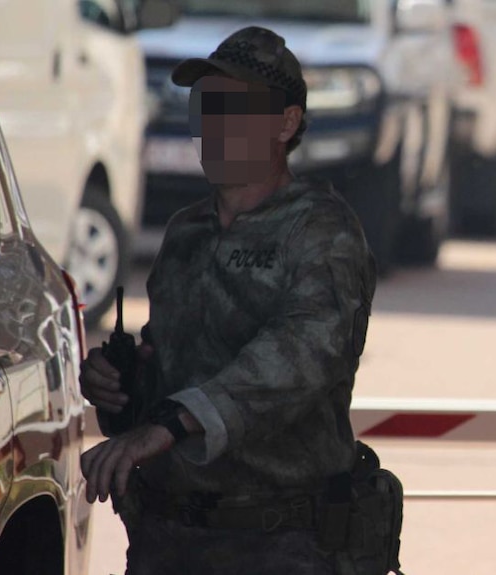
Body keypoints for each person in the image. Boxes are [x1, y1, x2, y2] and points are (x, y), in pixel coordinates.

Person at [79, 26, 377, 575]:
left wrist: (169, 423)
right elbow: (168, 371)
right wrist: (121, 386)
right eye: (206, 109)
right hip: (167, 539)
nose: (215, 129)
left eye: (235, 111)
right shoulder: (184, 233)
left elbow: (300, 358)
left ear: (285, 124)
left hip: (280, 543)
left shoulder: (321, 231)